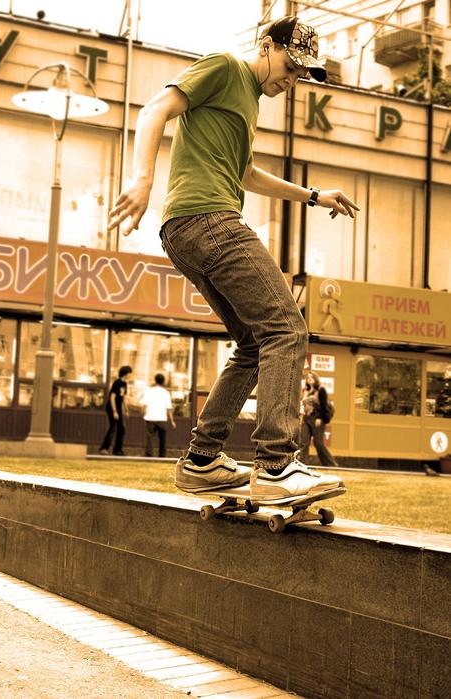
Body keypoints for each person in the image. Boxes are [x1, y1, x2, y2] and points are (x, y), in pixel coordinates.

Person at [108, 15, 359, 503]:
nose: (291, 80)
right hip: (208, 220)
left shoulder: (247, 102)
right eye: (289, 67)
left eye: (300, 75)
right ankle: (276, 465)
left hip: (187, 230)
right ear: (266, 46)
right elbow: (154, 109)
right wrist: (142, 179)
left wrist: (313, 195)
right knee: (286, 329)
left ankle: (202, 459)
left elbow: (245, 174)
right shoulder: (225, 67)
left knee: (252, 344)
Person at [299, 371, 338, 467]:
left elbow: (323, 405)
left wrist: (320, 418)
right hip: (306, 419)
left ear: (315, 379)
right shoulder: (306, 391)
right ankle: (302, 465)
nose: (309, 379)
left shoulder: (321, 390)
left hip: (317, 419)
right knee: (303, 442)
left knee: (318, 443)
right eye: (308, 378)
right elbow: (303, 404)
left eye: (311, 377)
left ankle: (331, 465)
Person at [99, 365, 132, 456]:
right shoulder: (117, 383)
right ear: (125, 374)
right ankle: (104, 448)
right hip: (111, 408)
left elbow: (124, 398)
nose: (130, 375)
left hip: (118, 409)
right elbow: (112, 397)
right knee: (113, 427)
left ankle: (118, 450)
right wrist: (114, 411)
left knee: (121, 428)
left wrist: (126, 410)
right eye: (129, 373)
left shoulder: (125, 384)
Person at [141, 373, 177, 457]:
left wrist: (143, 414)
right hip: (162, 419)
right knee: (162, 439)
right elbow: (169, 408)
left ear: (155, 380)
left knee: (150, 437)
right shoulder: (166, 393)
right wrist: (172, 421)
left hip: (150, 418)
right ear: (163, 381)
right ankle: (162, 455)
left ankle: (149, 455)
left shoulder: (149, 391)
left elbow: (144, 405)